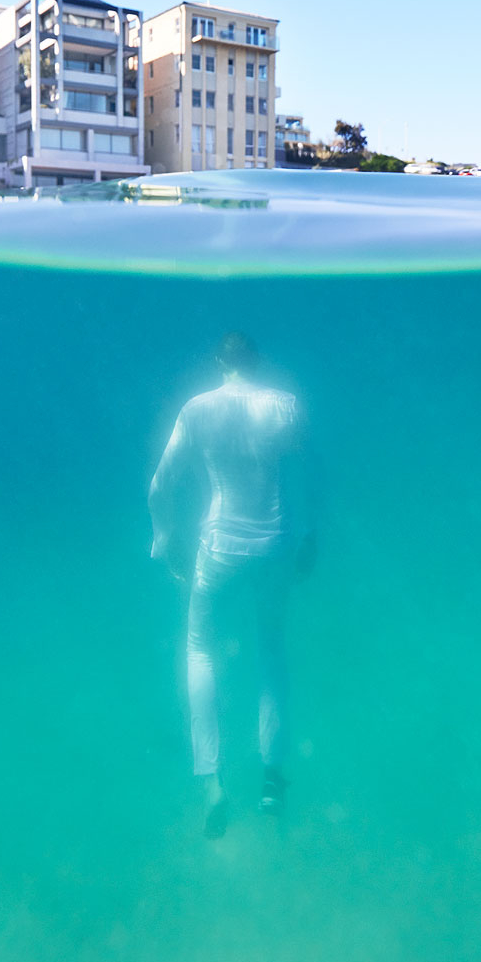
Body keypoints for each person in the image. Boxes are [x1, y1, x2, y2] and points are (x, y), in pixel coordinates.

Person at [149, 333, 315, 838]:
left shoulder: (196, 410)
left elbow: (161, 484)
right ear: (257, 360)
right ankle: (271, 779)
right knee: (271, 652)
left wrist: (164, 540)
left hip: (219, 547)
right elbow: (307, 475)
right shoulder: (283, 405)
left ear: (219, 363)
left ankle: (211, 780)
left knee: (200, 650)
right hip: (276, 543)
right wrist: (308, 536)